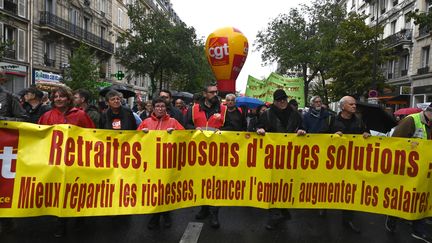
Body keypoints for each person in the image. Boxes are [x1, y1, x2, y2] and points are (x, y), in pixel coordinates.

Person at [38, 87, 95, 237]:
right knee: (59, 193)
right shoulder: (47, 116)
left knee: (77, 191)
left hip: (77, 161)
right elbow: (39, 137)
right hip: (56, 162)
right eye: (55, 96)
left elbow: (93, 135)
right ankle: (60, 223)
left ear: (68, 99)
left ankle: (79, 219)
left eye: (62, 96)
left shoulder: (80, 115)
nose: (58, 99)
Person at [256, 89, 306, 230]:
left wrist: (301, 131)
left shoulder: (295, 114)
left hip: (290, 156)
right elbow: (258, 125)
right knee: (272, 185)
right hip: (272, 155)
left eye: (283, 99)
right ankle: (274, 215)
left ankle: (283, 210)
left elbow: (302, 127)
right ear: (275, 101)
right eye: (279, 100)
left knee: (285, 185)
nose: (282, 102)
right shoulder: (267, 114)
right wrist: (259, 129)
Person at [385, 103, 432, 243]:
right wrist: (410, 145)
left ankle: (418, 230)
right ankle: (392, 218)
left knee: (421, 198)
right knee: (403, 198)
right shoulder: (411, 120)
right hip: (407, 168)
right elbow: (395, 143)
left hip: (424, 169)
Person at [137, 98, 184, 229]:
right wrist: (141, 134)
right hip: (151, 164)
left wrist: (175, 134)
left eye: (162, 106)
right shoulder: (145, 122)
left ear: (166, 108)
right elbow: (135, 140)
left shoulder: (173, 122)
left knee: (166, 191)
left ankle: (166, 214)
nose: (160, 108)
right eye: (157, 106)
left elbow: (186, 138)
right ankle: (155, 216)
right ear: (152, 108)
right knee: (154, 191)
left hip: (168, 163)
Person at [185, 84, 227, 228]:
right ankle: (204, 208)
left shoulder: (224, 109)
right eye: (211, 92)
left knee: (216, 184)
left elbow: (234, 128)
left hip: (218, 154)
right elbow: (186, 125)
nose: (215, 94)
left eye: (216, 91)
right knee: (201, 182)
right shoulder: (193, 109)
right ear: (204, 94)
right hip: (199, 154)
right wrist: (194, 129)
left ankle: (214, 213)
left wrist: (221, 132)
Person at [327, 96, 370, 233]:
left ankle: (348, 219)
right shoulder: (331, 120)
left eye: (355, 104)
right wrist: (332, 136)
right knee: (330, 187)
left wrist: (366, 134)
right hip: (334, 162)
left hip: (353, 163)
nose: (354, 106)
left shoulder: (359, 121)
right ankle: (323, 206)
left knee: (349, 191)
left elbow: (367, 133)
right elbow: (321, 136)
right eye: (351, 104)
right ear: (343, 106)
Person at [0, 86, 28, 235]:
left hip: (4, 150)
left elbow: (23, 119)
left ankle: (6, 221)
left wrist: (3, 120)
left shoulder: (10, 97)